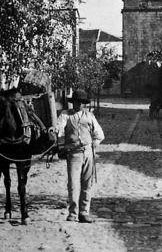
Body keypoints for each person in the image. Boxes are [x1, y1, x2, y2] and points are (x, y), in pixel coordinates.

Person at [57, 88, 104, 223]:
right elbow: (59, 130)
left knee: (87, 183)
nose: (79, 105)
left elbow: (99, 134)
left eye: (82, 102)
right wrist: (54, 132)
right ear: (73, 103)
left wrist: (94, 143)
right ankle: (73, 213)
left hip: (88, 153)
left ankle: (84, 213)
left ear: (85, 104)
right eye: (77, 102)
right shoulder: (66, 115)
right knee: (73, 184)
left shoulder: (90, 116)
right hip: (74, 154)